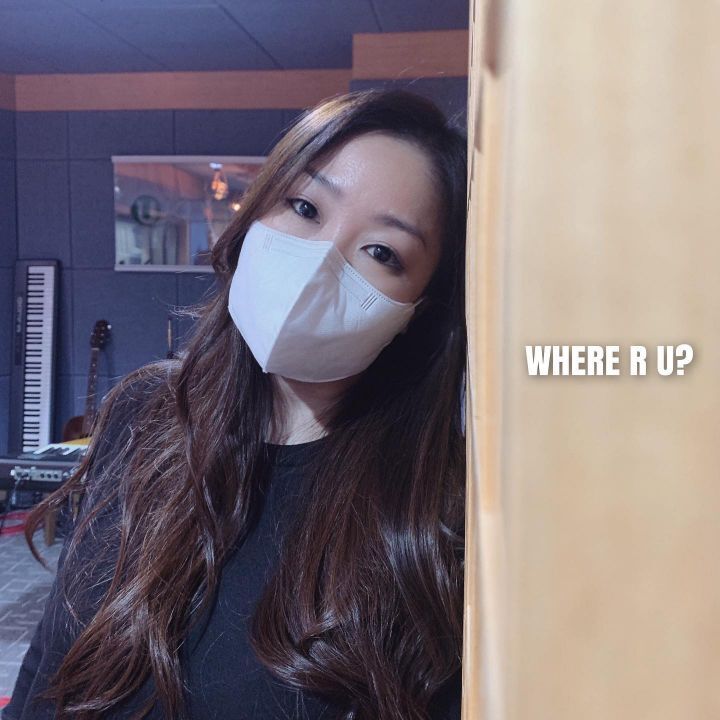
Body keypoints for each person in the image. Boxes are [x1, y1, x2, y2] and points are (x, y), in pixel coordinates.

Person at [4, 88, 468, 720]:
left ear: (420, 309)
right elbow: (54, 650)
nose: (320, 263)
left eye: (382, 252)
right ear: (255, 213)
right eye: (305, 207)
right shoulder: (145, 412)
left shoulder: (432, 510)